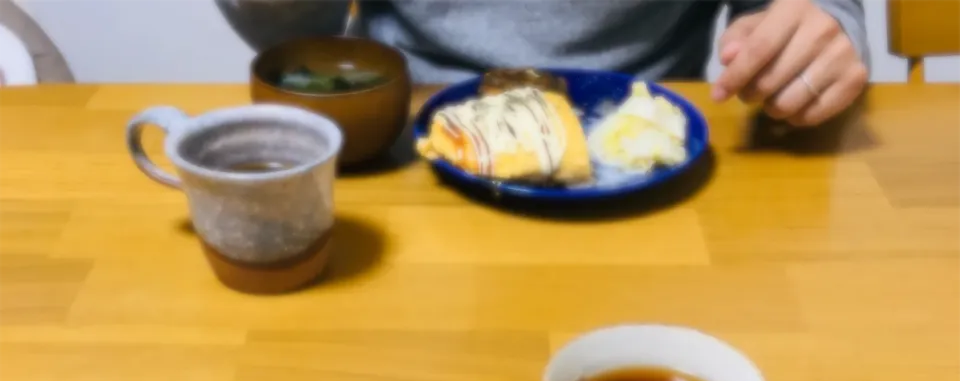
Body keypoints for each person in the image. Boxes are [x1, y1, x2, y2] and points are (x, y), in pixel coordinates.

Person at [223, 0, 869, 127]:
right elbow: (296, 32)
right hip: (402, 125)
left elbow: (811, 11)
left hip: (646, 135)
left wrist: (817, 27)